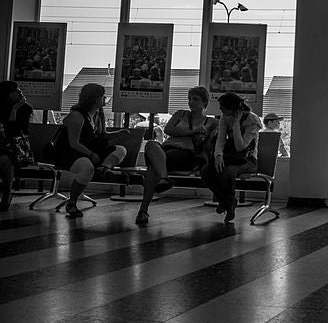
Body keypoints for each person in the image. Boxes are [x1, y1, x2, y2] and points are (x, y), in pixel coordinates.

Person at [134, 86, 217, 225]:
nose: (191, 102)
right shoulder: (180, 114)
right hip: (165, 150)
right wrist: (193, 132)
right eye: (189, 99)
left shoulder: (211, 122)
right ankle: (164, 178)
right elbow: (169, 129)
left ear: (204, 102)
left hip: (186, 154)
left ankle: (143, 210)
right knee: (151, 145)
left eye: (195, 99)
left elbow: (211, 143)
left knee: (152, 169)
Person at [51, 83, 128, 218]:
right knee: (87, 168)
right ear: (94, 98)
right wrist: (91, 154)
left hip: (88, 149)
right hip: (69, 152)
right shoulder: (77, 116)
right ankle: (72, 202)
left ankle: (104, 168)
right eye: (102, 96)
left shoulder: (98, 114)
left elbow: (103, 134)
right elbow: (73, 143)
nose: (105, 98)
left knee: (121, 149)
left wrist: (118, 133)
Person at [201, 91, 261, 223]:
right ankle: (228, 202)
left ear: (233, 109)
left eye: (222, 107)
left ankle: (227, 203)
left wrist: (236, 123)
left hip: (247, 159)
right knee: (206, 171)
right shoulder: (225, 116)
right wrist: (218, 156)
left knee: (228, 172)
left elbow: (241, 146)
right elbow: (221, 140)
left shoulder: (252, 121)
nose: (220, 109)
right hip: (230, 156)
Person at [0, 81, 34, 211]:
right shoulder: (1, 107)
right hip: (3, 144)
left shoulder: (25, 108)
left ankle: (7, 192)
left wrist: (15, 109)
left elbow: (19, 130)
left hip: (18, 146)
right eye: (16, 91)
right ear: (7, 95)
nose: (20, 92)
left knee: (5, 160)